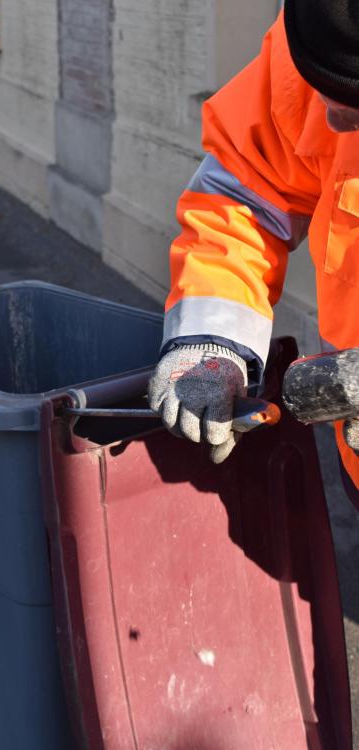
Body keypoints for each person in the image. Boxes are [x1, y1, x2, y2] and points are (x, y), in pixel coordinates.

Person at [148, 1, 359, 496]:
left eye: (353, 109)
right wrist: (212, 336)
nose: (329, 121)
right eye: (322, 92)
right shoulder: (315, 30)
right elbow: (245, 194)